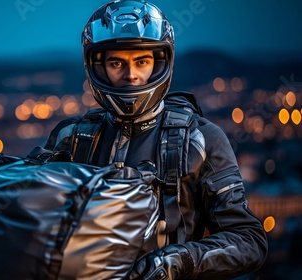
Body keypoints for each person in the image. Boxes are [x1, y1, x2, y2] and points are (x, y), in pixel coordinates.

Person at [41, 0, 268, 279]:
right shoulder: (72, 138)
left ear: (160, 62)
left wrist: (179, 260)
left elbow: (249, 240)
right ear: (98, 67)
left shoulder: (199, 139)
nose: (131, 75)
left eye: (142, 61)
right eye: (116, 63)